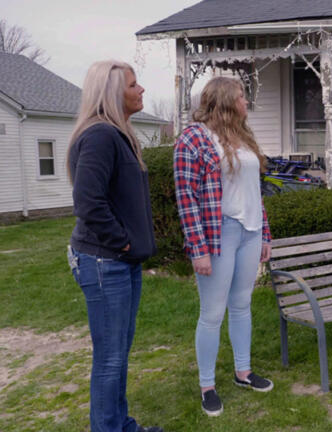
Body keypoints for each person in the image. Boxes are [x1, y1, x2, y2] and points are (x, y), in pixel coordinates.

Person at [67, 60, 162, 432]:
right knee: (110, 358)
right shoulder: (100, 136)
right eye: (133, 85)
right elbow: (87, 202)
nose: (141, 90)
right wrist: (121, 242)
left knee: (117, 354)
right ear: (111, 92)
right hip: (105, 261)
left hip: (121, 261)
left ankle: (121, 425)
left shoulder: (117, 134)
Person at [174, 77, 273, 417]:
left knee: (242, 305)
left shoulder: (243, 137)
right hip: (219, 234)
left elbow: (255, 191)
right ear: (226, 101)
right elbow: (186, 197)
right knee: (213, 313)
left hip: (250, 232)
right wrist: (197, 248)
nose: (247, 102)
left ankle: (243, 372)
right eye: (242, 97)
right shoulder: (194, 138)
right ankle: (207, 386)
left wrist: (265, 234)